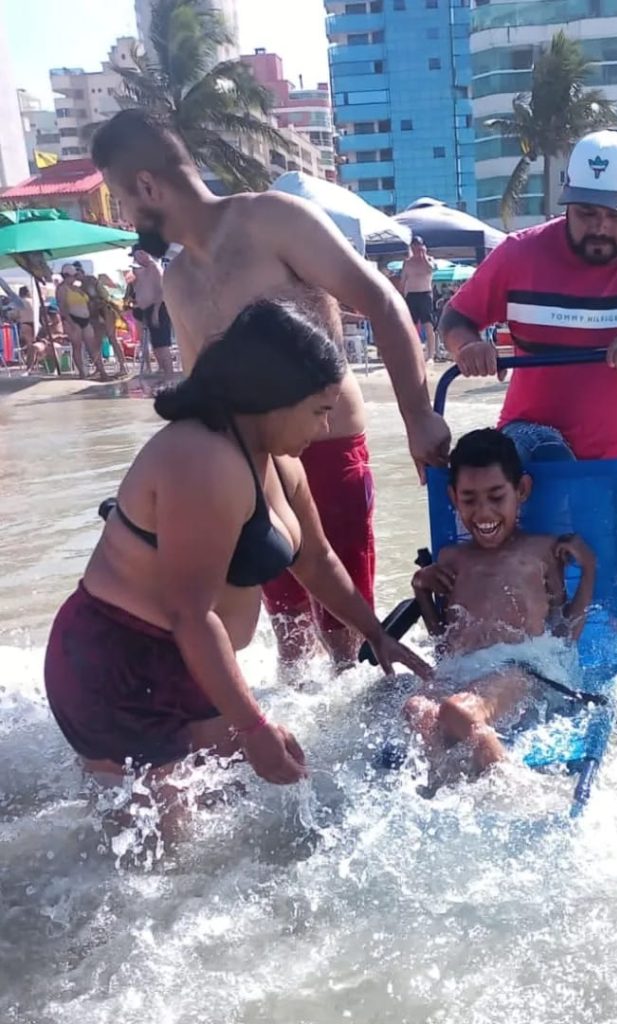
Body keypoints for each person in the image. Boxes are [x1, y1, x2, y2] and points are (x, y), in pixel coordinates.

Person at [90, 110, 450, 669]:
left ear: (146, 185)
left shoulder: (272, 220)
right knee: (289, 633)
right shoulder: (180, 282)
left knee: (346, 628)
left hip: (327, 447)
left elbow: (381, 301)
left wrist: (418, 416)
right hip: (254, 470)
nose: (126, 215)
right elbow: (201, 401)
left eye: (122, 199)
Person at [44, 301, 430, 820]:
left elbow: (315, 561)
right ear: (273, 395)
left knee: (239, 804)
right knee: (159, 854)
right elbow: (190, 613)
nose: (325, 427)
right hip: (118, 664)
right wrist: (253, 727)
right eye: (319, 410)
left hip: (186, 662)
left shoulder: (281, 462)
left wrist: (377, 634)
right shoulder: (202, 460)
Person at [439, 130, 617, 508]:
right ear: (566, 202)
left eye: (614, 214)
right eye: (586, 212)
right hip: (524, 467)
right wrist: (469, 346)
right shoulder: (520, 254)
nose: (600, 226)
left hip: (616, 476)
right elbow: (455, 318)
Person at [404, 429, 596, 776]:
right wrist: (421, 589)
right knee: (417, 709)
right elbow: (446, 643)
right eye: (469, 500)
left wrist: (590, 570)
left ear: (521, 491)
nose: (483, 513)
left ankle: (514, 790)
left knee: (460, 712)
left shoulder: (540, 551)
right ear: (453, 497)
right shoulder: (451, 558)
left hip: (525, 670)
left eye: (496, 497)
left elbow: (564, 634)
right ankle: (444, 784)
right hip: (463, 670)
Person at [57, 264, 109, 381]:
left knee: (93, 346)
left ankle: (102, 372)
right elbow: (63, 307)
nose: (75, 277)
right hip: (72, 319)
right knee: (77, 346)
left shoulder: (76, 288)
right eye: (74, 275)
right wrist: (70, 322)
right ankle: (82, 373)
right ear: (66, 275)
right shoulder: (62, 289)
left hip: (84, 319)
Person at [129, 247, 175, 380]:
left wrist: (155, 311)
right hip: (147, 309)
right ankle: (164, 373)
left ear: (143, 254)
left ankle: (169, 376)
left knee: (162, 345)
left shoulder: (155, 268)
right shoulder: (143, 269)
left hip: (158, 308)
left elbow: (161, 291)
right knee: (156, 345)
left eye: (136, 256)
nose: (135, 259)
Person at [401, 236, 438, 362]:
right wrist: (402, 295)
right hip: (411, 295)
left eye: (418, 247)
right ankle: (412, 352)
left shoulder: (429, 260)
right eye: (414, 248)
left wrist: (423, 257)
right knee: (410, 325)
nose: (416, 250)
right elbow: (403, 280)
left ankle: (431, 355)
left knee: (428, 325)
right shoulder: (407, 262)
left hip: (425, 294)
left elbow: (431, 269)